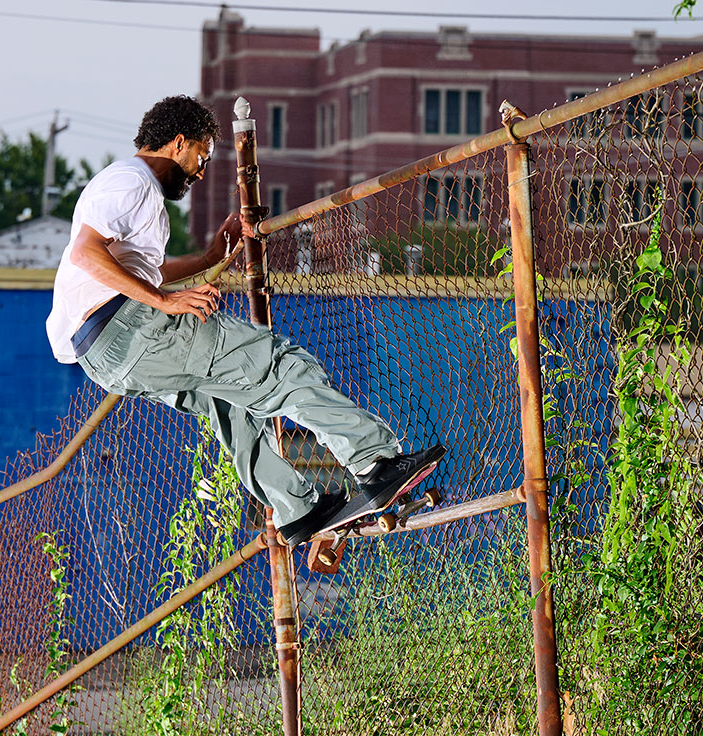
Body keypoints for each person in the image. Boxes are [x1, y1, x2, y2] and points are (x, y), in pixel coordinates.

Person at [46, 95, 442, 547]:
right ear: (179, 143)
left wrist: (208, 259)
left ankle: (296, 510)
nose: (201, 170)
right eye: (202, 155)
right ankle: (376, 462)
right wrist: (165, 301)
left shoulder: (133, 189)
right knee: (279, 366)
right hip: (134, 329)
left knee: (231, 402)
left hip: (104, 355)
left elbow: (132, 268)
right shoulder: (131, 182)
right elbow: (85, 253)